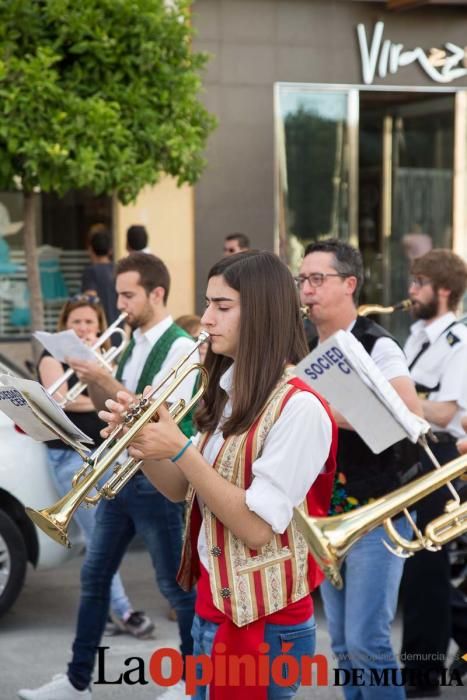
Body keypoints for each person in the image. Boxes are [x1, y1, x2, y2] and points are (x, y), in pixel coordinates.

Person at [99, 250, 338, 699]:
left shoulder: (300, 407)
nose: (206, 319)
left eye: (222, 307)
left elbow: (255, 529)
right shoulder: (227, 392)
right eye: (207, 304)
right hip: (213, 611)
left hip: (265, 627)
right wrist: (142, 440)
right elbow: (180, 492)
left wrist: (182, 450)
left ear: (263, 312)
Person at [19, 253, 197, 700]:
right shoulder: (131, 341)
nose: (119, 304)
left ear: (157, 293)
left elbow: (156, 417)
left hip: (155, 483)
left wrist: (102, 374)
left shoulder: (178, 346)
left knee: (174, 590)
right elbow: (113, 407)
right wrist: (94, 377)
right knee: (94, 578)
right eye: (117, 293)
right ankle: (78, 681)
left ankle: (195, 681)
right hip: (118, 476)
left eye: (128, 294)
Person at [298, 238, 422, 700]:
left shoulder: (378, 344)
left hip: (376, 512)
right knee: (346, 645)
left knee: (369, 642)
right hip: (323, 510)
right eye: (302, 279)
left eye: (317, 280)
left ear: (349, 284)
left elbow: (409, 420)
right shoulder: (305, 342)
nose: (306, 291)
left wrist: (320, 407)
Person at [36, 294, 151, 639]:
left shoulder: (105, 357)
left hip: (104, 454)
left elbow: (121, 396)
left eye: (89, 322)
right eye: (77, 323)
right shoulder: (51, 357)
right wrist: (97, 384)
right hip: (70, 454)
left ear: (99, 326)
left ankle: (101, 609)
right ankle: (122, 610)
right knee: (100, 535)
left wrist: (99, 377)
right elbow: (60, 401)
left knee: (105, 534)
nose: (84, 328)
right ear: (65, 328)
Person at [400, 249, 467, 697]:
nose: (410, 290)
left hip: (442, 457)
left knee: (428, 571)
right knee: (421, 572)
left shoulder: (459, 342)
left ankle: (422, 674)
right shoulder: (414, 337)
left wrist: (393, 399)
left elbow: (447, 411)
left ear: (443, 290)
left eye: (419, 282)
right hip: (412, 452)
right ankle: (421, 668)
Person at [81, 230, 119, 327]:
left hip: (101, 328)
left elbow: (90, 299)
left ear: (90, 249)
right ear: (110, 250)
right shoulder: (118, 269)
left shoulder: (91, 272)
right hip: (119, 326)